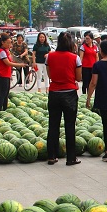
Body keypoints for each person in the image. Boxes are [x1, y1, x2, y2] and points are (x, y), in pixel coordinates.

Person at [46, 32, 83, 166]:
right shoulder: (75, 58)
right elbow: (78, 78)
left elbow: (50, 75)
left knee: (53, 125)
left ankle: (51, 156)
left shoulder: (50, 56)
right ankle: (71, 158)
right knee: (69, 126)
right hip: (69, 94)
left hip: (54, 93)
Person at [0, 34, 22, 111]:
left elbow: (11, 60)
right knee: (2, 94)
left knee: (6, 94)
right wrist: (20, 64)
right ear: (3, 42)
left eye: (10, 43)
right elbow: (8, 63)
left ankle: (4, 109)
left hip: (7, 75)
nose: (10, 45)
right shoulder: (1, 51)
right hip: (2, 75)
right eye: (8, 43)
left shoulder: (7, 51)